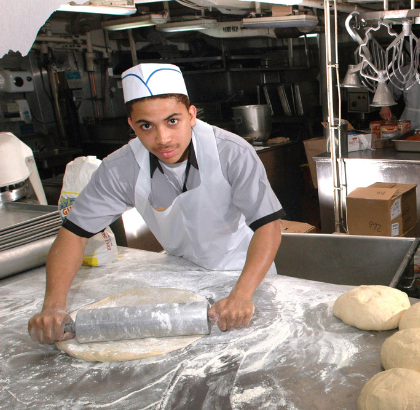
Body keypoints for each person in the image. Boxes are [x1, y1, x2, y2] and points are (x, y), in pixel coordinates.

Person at [28, 63, 285, 342]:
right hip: (182, 276)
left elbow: (268, 226)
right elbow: (73, 235)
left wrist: (241, 294)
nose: (163, 139)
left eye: (172, 121)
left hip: (245, 274)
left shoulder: (232, 153)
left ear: (191, 115)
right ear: (131, 125)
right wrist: (53, 306)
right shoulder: (120, 168)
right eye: (146, 126)